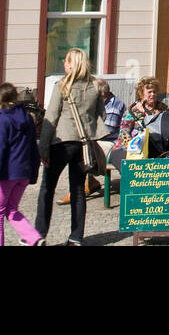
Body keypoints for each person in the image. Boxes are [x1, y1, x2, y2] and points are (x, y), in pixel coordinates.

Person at [35, 48, 105, 246]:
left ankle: (39, 234)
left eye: (67, 61)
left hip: (62, 143)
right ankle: (76, 237)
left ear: (73, 64)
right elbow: (102, 115)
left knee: (47, 188)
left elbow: (51, 118)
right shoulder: (94, 87)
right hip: (84, 145)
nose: (64, 64)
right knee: (78, 190)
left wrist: (44, 149)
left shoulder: (62, 86)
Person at [0, 82, 43, 246]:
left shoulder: (2, 120)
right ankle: (34, 238)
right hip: (23, 172)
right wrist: (33, 173)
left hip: (6, 174)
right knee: (11, 210)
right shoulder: (27, 118)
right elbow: (33, 147)